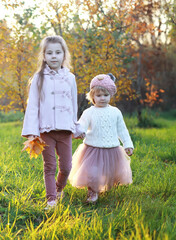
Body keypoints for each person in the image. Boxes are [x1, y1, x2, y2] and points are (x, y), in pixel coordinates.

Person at [22, 36, 81, 209]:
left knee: (66, 166)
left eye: (57, 52)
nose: (54, 56)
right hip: (45, 130)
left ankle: (59, 189)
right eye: (49, 53)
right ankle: (51, 200)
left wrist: (75, 127)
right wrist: (32, 131)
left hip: (65, 130)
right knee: (49, 166)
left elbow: (73, 105)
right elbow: (32, 105)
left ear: (64, 55)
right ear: (44, 56)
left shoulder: (70, 78)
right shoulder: (38, 78)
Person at [69, 73, 134, 203]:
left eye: (106, 95)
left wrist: (128, 144)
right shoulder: (89, 112)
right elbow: (82, 124)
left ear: (111, 95)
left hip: (112, 149)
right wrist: (79, 132)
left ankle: (108, 187)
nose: (102, 98)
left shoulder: (115, 112)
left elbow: (122, 129)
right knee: (93, 172)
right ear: (92, 96)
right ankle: (92, 192)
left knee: (111, 171)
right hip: (93, 149)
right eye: (98, 96)